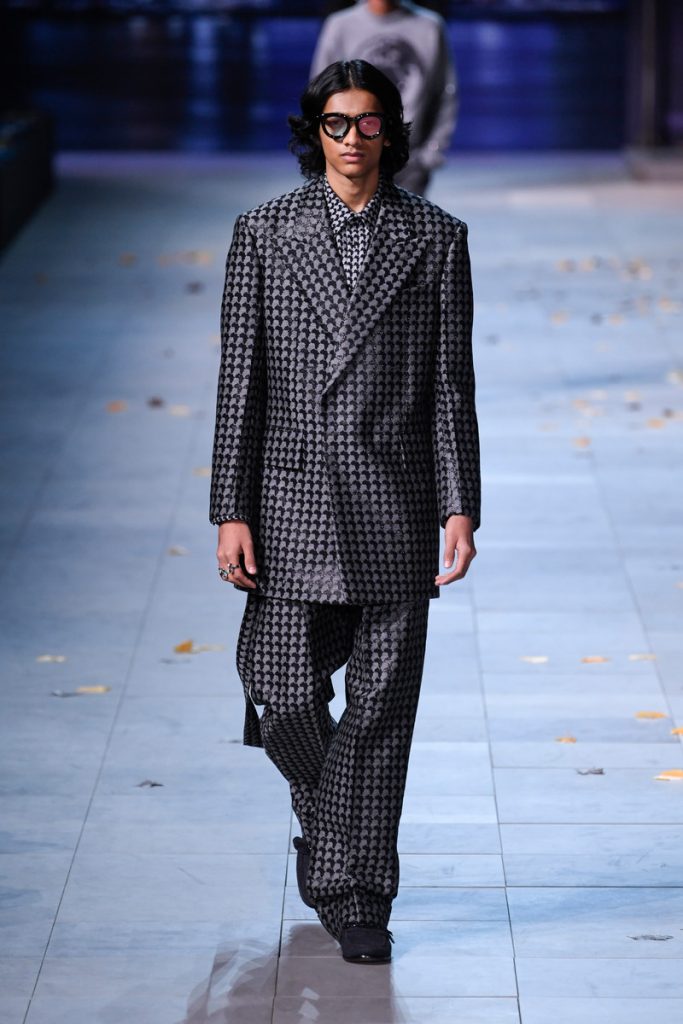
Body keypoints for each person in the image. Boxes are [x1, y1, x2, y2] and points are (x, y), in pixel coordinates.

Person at [209, 58, 480, 964]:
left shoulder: (435, 237)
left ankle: (359, 895)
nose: (353, 139)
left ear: (390, 132)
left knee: (380, 709)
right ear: (313, 132)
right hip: (288, 495)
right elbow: (239, 380)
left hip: (393, 498)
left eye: (368, 123)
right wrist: (229, 507)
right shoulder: (262, 231)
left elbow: (450, 385)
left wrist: (459, 504)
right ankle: (338, 836)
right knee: (282, 691)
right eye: (336, 123)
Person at [310, 0, 458, 195]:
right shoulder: (340, 25)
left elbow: (445, 93)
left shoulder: (429, 27)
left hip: (410, 162)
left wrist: (431, 152)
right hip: (353, 157)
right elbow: (320, 97)